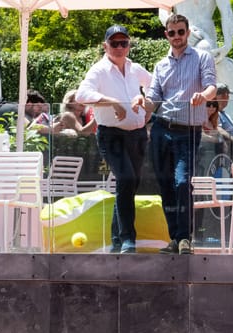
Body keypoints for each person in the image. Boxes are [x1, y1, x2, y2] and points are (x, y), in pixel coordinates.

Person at [140, 14, 216, 255]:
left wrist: (204, 96)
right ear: (166, 35)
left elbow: (212, 87)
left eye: (180, 32)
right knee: (165, 185)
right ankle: (175, 238)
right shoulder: (161, 65)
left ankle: (185, 238)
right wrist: (142, 102)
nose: (176, 37)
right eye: (172, 33)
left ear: (187, 33)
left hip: (188, 131)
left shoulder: (202, 57)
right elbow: (153, 99)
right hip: (162, 129)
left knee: (182, 183)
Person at [76, 25, 152, 254]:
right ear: (105, 46)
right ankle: (128, 239)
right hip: (112, 135)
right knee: (126, 179)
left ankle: (117, 241)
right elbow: (82, 95)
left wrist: (145, 99)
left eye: (124, 43)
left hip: (138, 134)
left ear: (129, 45)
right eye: (114, 43)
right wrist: (112, 102)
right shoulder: (99, 70)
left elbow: (155, 85)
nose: (119, 47)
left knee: (129, 185)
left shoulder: (135, 68)